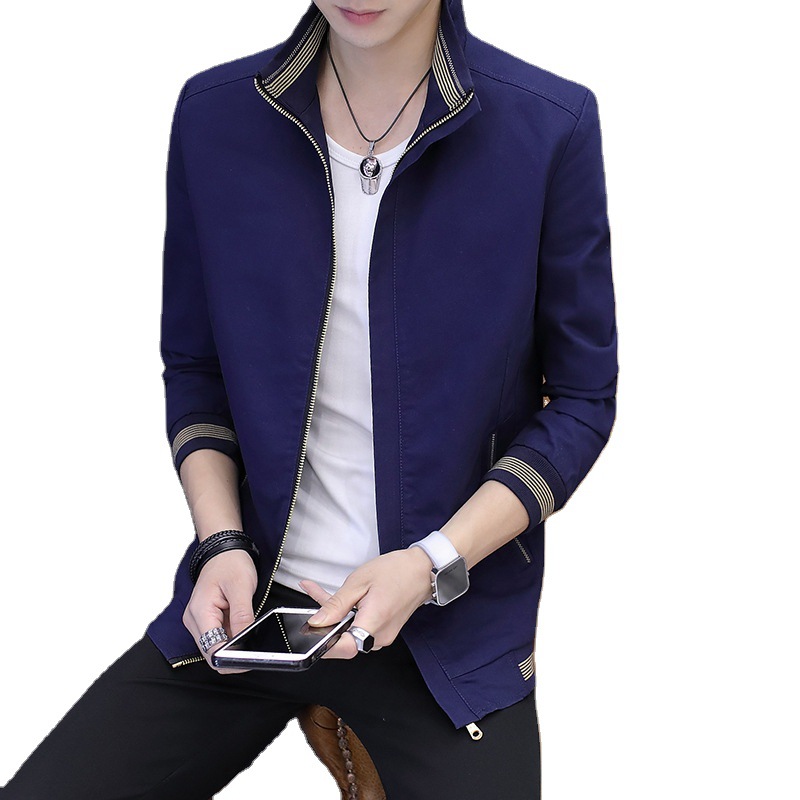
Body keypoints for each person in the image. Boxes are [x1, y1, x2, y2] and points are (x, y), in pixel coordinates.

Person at [1, 0, 617, 797]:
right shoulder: (216, 118)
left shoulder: (548, 127)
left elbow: (581, 400)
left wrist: (430, 564)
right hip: (255, 609)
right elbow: (195, 367)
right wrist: (221, 545)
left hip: (446, 633)